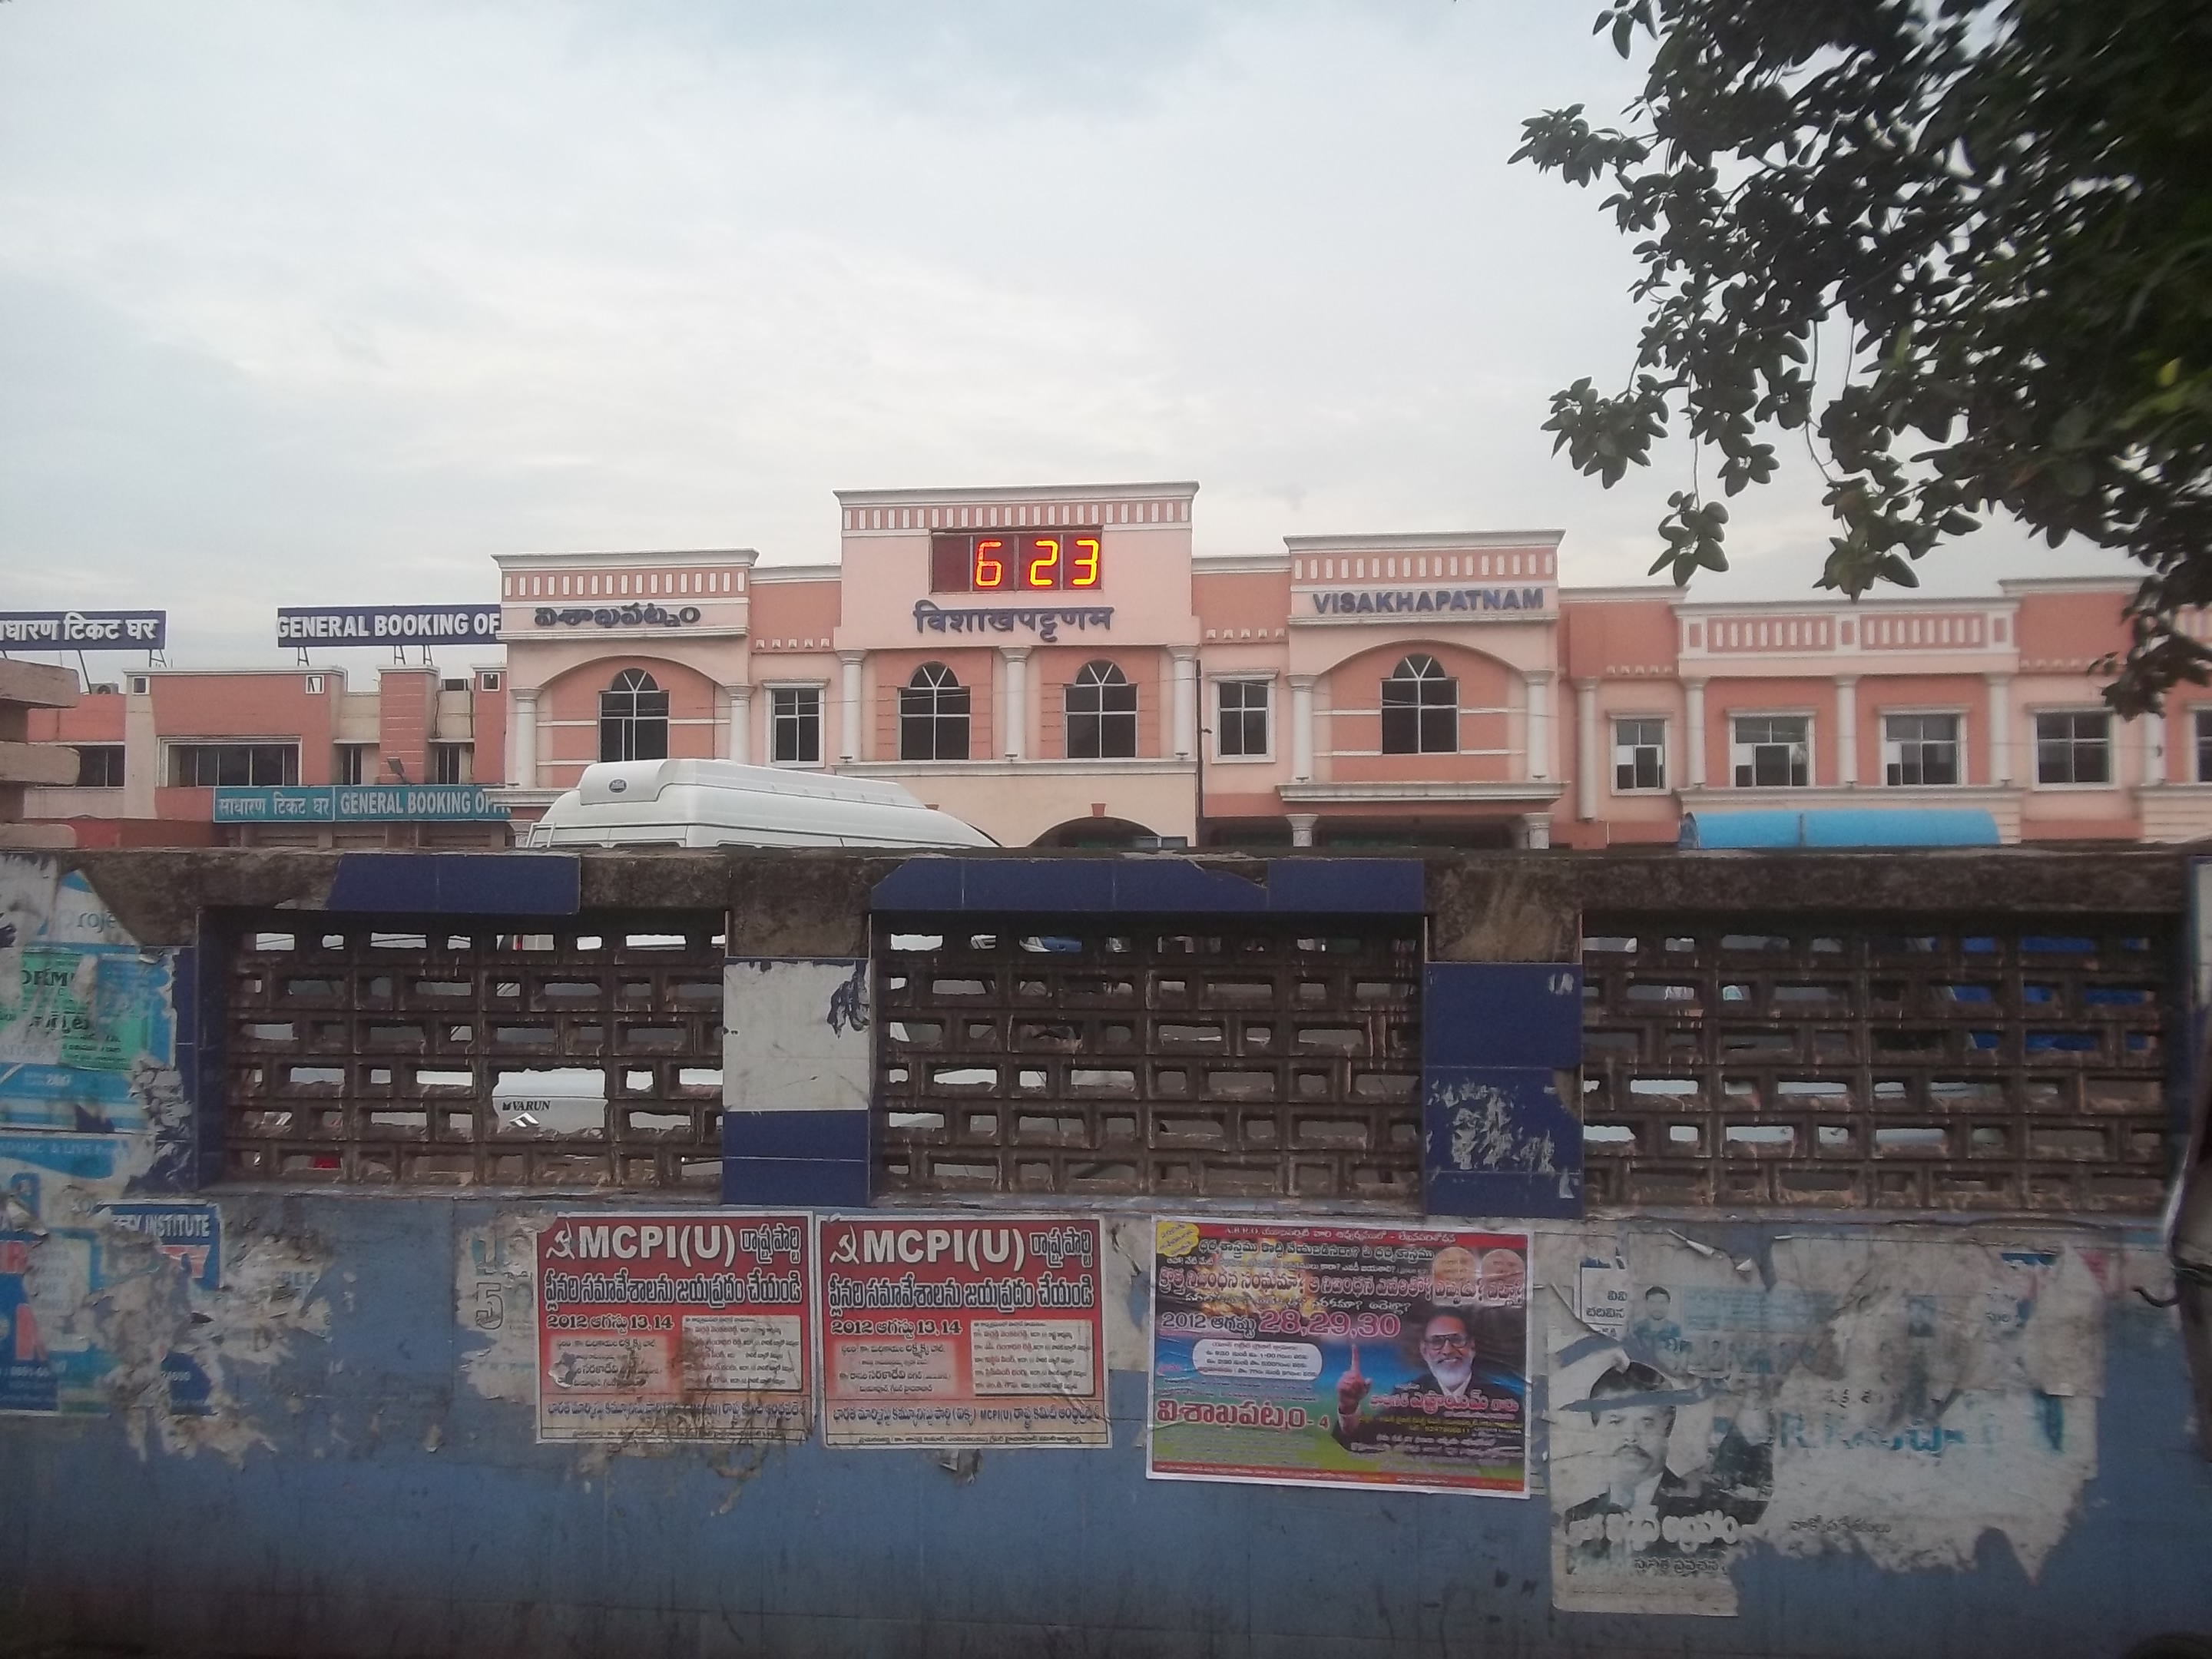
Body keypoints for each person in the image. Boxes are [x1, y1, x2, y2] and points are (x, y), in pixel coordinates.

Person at [1561, 1363, 1771, 1565]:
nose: (1631, 1437)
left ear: (1667, 1427)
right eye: (1616, 1422)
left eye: (1647, 1422)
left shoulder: (1711, 1509)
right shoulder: (1575, 1518)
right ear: (1596, 1428)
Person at [1331, 1305, 1523, 1459]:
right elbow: (1363, 1442)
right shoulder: (1408, 1398)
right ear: (1424, 1351)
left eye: (1456, 1340)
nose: (1447, 1350)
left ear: (1471, 1346)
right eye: (1437, 1342)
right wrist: (1348, 1406)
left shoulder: (1505, 1402)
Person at [1628, 1286, 1686, 1361]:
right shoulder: (1636, 1330)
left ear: (1668, 1304)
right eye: (1653, 1302)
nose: (1657, 1307)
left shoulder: (1677, 1331)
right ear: (1646, 1304)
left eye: (1662, 1303)